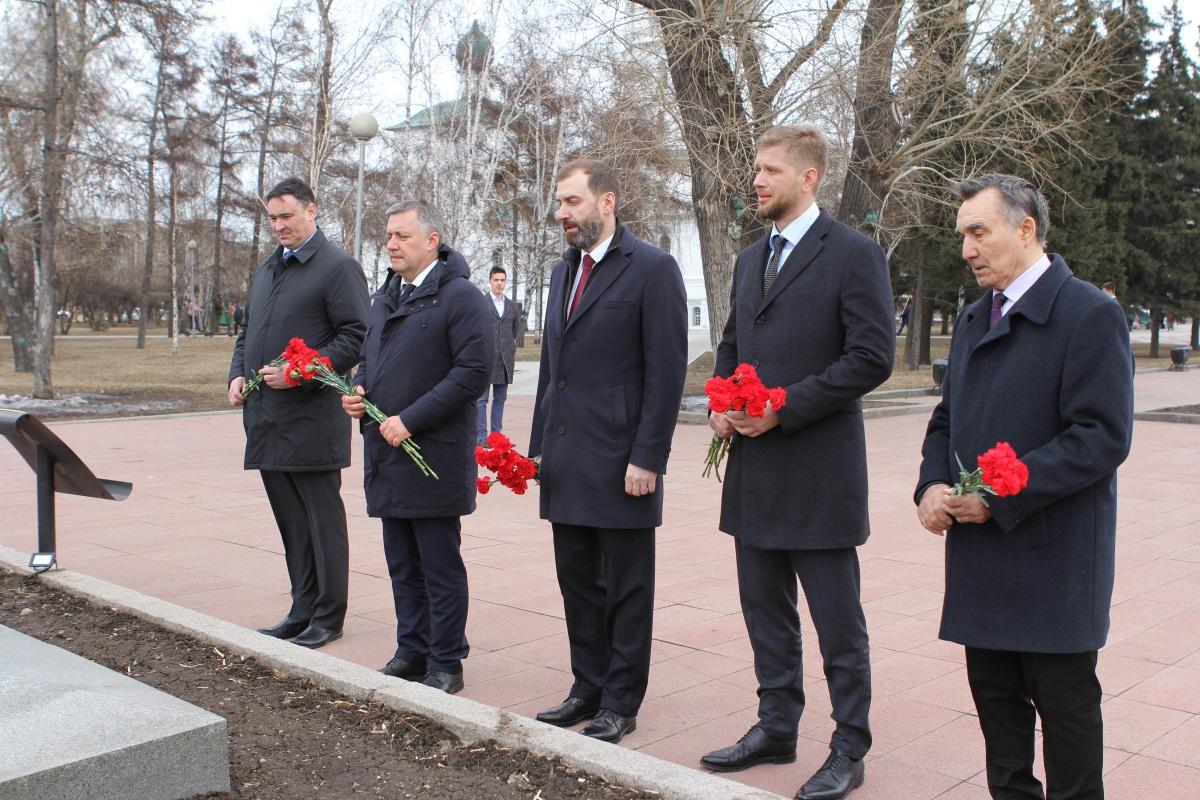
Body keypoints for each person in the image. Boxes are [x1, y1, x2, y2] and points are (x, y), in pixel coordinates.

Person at [916, 174, 1133, 800]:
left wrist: (1001, 495)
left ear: (1026, 229)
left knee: (1065, 713)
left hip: (1054, 557)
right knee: (997, 708)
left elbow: (1101, 436)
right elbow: (946, 418)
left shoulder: (1090, 313)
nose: (966, 249)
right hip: (982, 558)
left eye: (978, 232)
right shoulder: (971, 319)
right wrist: (932, 484)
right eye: (962, 235)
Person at [701, 125, 894, 800]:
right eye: (756, 168)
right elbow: (732, 343)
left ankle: (849, 746)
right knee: (766, 613)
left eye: (770, 170)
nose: (757, 179)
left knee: (838, 623)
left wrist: (786, 406)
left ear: (808, 178)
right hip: (754, 471)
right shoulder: (752, 259)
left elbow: (873, 357)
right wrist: (720, 402)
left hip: (818, 471)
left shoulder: (853, 254)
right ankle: (776, 725)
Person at [529, 159, 687, 743]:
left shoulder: (653, 269)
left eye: (572, 202)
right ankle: (586, 687)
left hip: (624, 463)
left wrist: (648, 456)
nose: (562, 213)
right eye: (560, 203)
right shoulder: (560, 272)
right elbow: (553, 370)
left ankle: (621, 700)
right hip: (567, 460)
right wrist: (538, 448)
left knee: (625, 589)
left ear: (607, 202)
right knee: (577, 583)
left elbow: (665, 373)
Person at [341, 200, 492, 694]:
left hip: (434, 457)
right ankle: (412, 649)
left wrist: (411, 419)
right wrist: (361, 392)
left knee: (438, 564)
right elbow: (370, 359)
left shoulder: (461, 298)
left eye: (402, 236)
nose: (391, 244)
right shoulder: (385, 297)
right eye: (388, 236)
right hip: (387, 453)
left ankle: (446, 660)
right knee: (401, 562)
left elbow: (473, 374)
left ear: (432, 240)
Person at [228, 177, 370, 650]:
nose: (278, 225)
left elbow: (355, 336)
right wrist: (235, 374)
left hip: (311, 420)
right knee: (290, 522)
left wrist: (300, 373)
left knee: (320, 521)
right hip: (267, 419)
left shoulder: (338, 267)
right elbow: (247, 333)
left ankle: (329, 615)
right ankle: (302, 608)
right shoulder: (268, 269)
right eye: (272, 217)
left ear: (312, 210)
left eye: (286, 215)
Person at [477, 266, 518, 443]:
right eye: (496, 280)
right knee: (481, 400)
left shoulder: (511, 306)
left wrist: (508, 348)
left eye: (502, 280)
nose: (499, 283)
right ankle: (480, 436)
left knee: (500, 399)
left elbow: (514, 330)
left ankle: (496, 436)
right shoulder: (481, 303)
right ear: (490, 281)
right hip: (485, 358)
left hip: (505, 360)